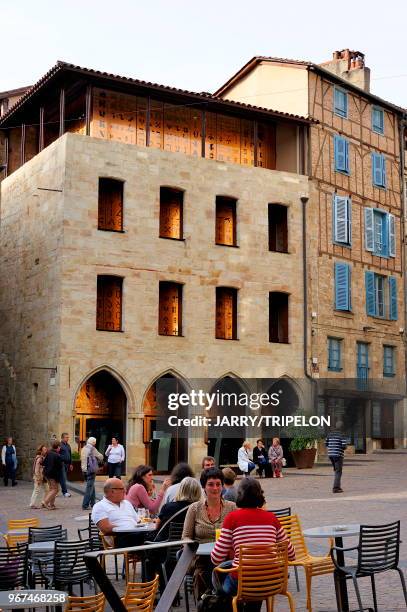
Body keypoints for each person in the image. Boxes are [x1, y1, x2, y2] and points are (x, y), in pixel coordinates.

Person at [211, 477, 295, 601]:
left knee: (221, 576)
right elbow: (292, 555)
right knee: (255, 579)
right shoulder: (272, 518)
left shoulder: (232, 518)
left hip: (243, 583)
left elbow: (216, 558)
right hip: (272, 582)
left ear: (240, 495)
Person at [182, 467, 236, 600]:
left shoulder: (232, 507)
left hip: (226, 556)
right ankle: (211, 601)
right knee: (207, 570)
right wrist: (191, 548)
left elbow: (238, 534)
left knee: (224, 569)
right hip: (202, 558)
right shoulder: (194, 508)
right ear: (204, 487)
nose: (215, 488)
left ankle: (221, 600)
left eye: (218, 484)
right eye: (211, 484)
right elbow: (186, 536)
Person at [146, 477, 203, 586]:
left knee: (149, 558)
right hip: (186, 550)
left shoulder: (168, 507)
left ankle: (149, 591)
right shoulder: (199, 509)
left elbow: (157, 526)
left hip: (165, 548)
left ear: (181, 490)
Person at [91, 478, 141, 548]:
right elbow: (106, 529)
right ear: (112, 491)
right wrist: (129, 529)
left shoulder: (127, 503)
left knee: (155, 535)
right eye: (122, 488)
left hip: (137, 534)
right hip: (119, 538)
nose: (125, 491)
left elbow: (138, 522)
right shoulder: (100, 506)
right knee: (146, 539)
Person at [81, 437, 104, 510]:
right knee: (89, 487)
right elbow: (100, 457)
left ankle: (93, 503)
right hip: (91, 470)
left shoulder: (84, 448)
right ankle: (85, 504)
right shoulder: (92, 449)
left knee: (91, 486)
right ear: (93, 442)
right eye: (95, 442)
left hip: (84, 469)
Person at [325, 421, 348, 493]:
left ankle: (337, 485)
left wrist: (332, 447)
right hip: (338, 455)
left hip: (331, 455)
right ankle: (336, 488)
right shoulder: (342, 434)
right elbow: (344, 446)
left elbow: (326, 443)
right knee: (338, 471)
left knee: (336, 470)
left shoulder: (330, 434)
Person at [43, 441, 63, 509]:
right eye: (60, 447)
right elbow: (60, 466)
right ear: (58, 447)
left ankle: (52, 504)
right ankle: (45, 502)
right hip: (53, 474)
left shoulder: (48, 453)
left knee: (52, 489)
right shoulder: (57, 455)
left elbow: (43, 463)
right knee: (55, 489)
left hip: (47, 473)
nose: (60, 448)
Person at [30, 444, 49, 509]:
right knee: (36, 490)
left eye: (46, 450)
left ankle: (44, 502)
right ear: (41, 451)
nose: (46, 451)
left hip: (43, 476)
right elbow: (36, 469)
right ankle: (32, 504)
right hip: (39, 477)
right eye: (44, 450)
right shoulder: (39, 458)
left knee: (47, 490)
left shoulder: (42, 457)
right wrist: (38, 478)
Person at [59, 432, 73, 497]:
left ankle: (56, 490)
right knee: (63, 478)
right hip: (62, 464)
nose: (68, 438)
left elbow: (70, 455)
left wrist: (71, 464)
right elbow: (57, 455)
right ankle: (65, 492)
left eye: (68, 437)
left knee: (62, 478)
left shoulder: (68, 445)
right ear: (62, 438)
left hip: (67, 464)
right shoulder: (59, 445)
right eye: (66, 437)